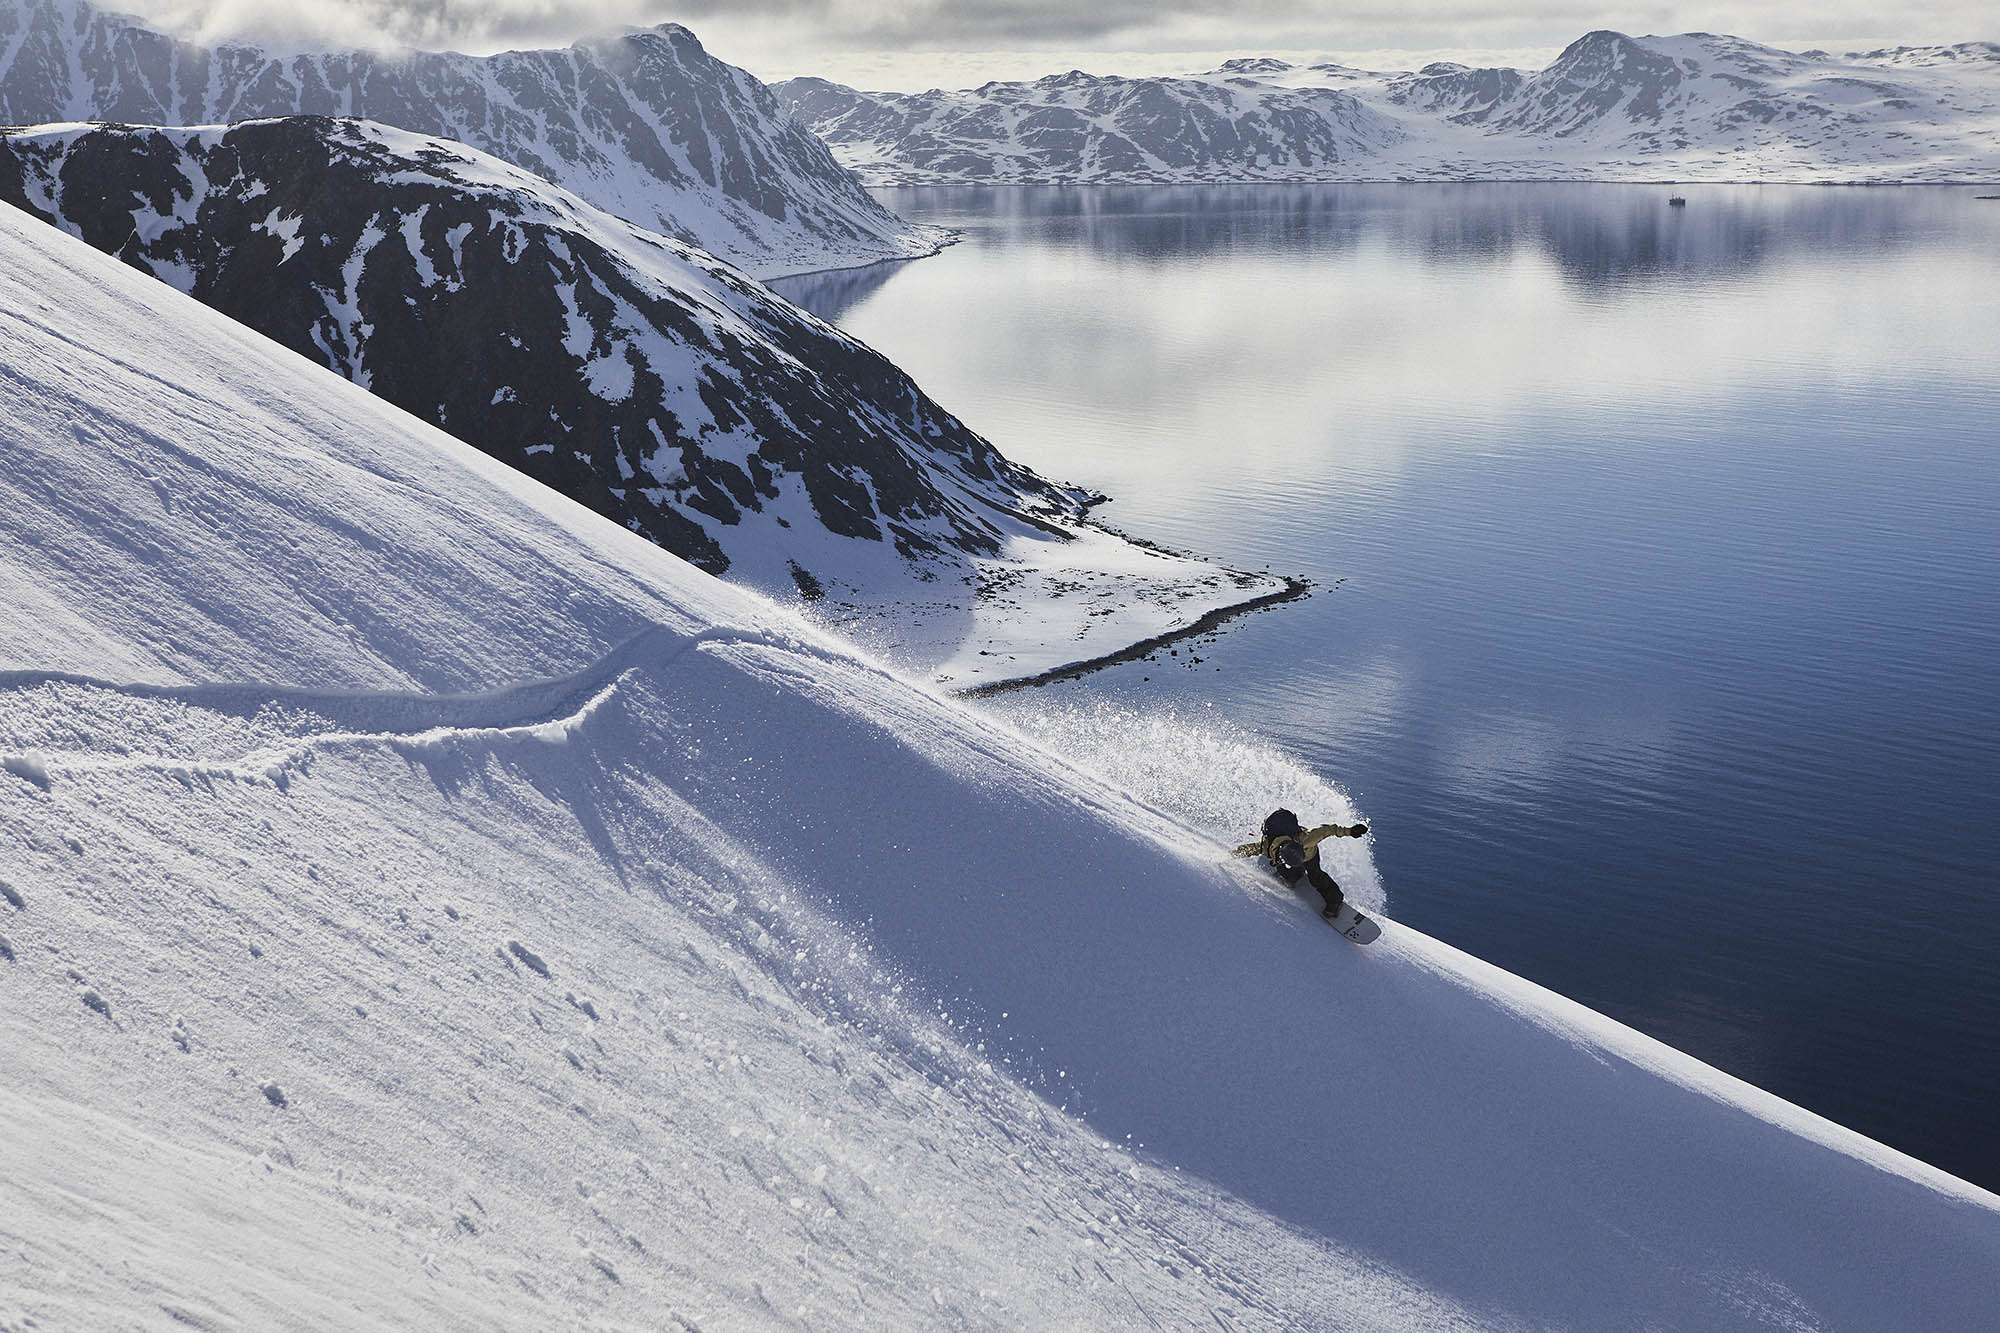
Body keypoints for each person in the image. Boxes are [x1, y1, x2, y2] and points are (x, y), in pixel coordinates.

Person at [1233, 807, 1368, 921]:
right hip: (1288, 860)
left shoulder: (1307, 839)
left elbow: (1328, 830)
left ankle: (1335, 900)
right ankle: (1294, 876)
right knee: (1286, 872)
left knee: (1316, 876)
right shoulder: (1268, 847)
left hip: (1310, 855)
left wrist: (1350, 831)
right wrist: (1232, 854)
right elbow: (1251, 849)